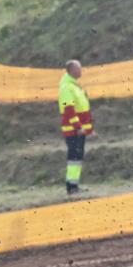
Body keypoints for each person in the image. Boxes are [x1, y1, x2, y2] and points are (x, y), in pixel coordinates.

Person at [58, 60, 93, 195]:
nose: (81, 71)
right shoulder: (67, 87)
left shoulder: (74, 86)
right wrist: (78, 127)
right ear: (72, 70)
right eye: (79, 68)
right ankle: (71, 187)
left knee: (77, 158)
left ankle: (74, 185)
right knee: (74, 158)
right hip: (73, 131)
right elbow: (69, 110)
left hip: (78, 130)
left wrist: (88, 128)